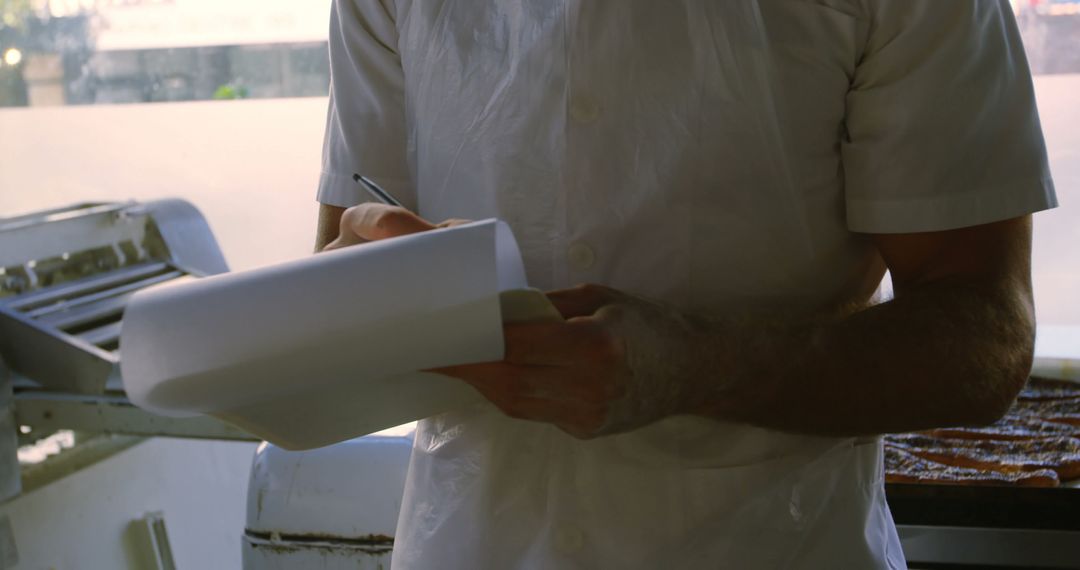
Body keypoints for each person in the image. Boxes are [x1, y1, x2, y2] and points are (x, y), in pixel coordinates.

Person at [314, 1, 1057, 567]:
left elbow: (985, 335)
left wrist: (696, 368)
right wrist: (348, 299)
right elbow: (339, 264)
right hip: (467, 543)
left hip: (777, 545)